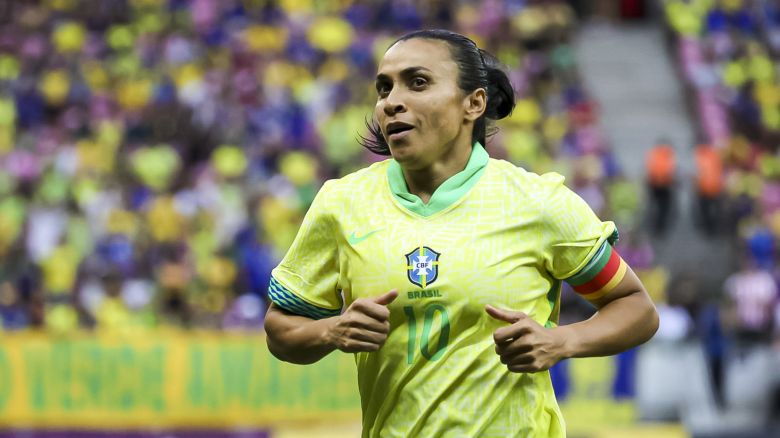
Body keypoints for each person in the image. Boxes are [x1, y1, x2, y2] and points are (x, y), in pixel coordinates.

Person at [263, 29, 659, 437]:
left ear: (474, 103)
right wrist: (331, 330)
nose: (392, 101)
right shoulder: (342, 204)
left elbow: (635, 308)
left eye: (418, 82)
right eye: (384, 88)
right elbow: (282, 328)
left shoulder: (537, 202)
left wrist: (561, 342)